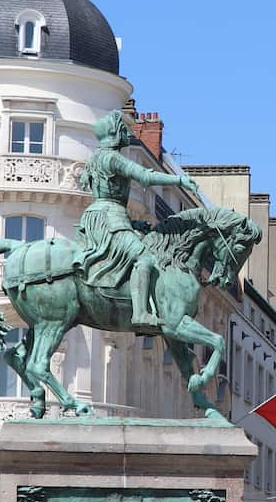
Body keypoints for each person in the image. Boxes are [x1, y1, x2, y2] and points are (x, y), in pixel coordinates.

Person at [74, 111, 200, 335]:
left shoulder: (95, 158)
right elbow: (145, 176)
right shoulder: (112, 158)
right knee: (145, 258)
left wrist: (131, 224)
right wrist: (179, 180)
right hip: (109, 218)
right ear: (114, 133)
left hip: (99, 216)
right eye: (122, 129)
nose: (126, 132)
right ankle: (140, 313)